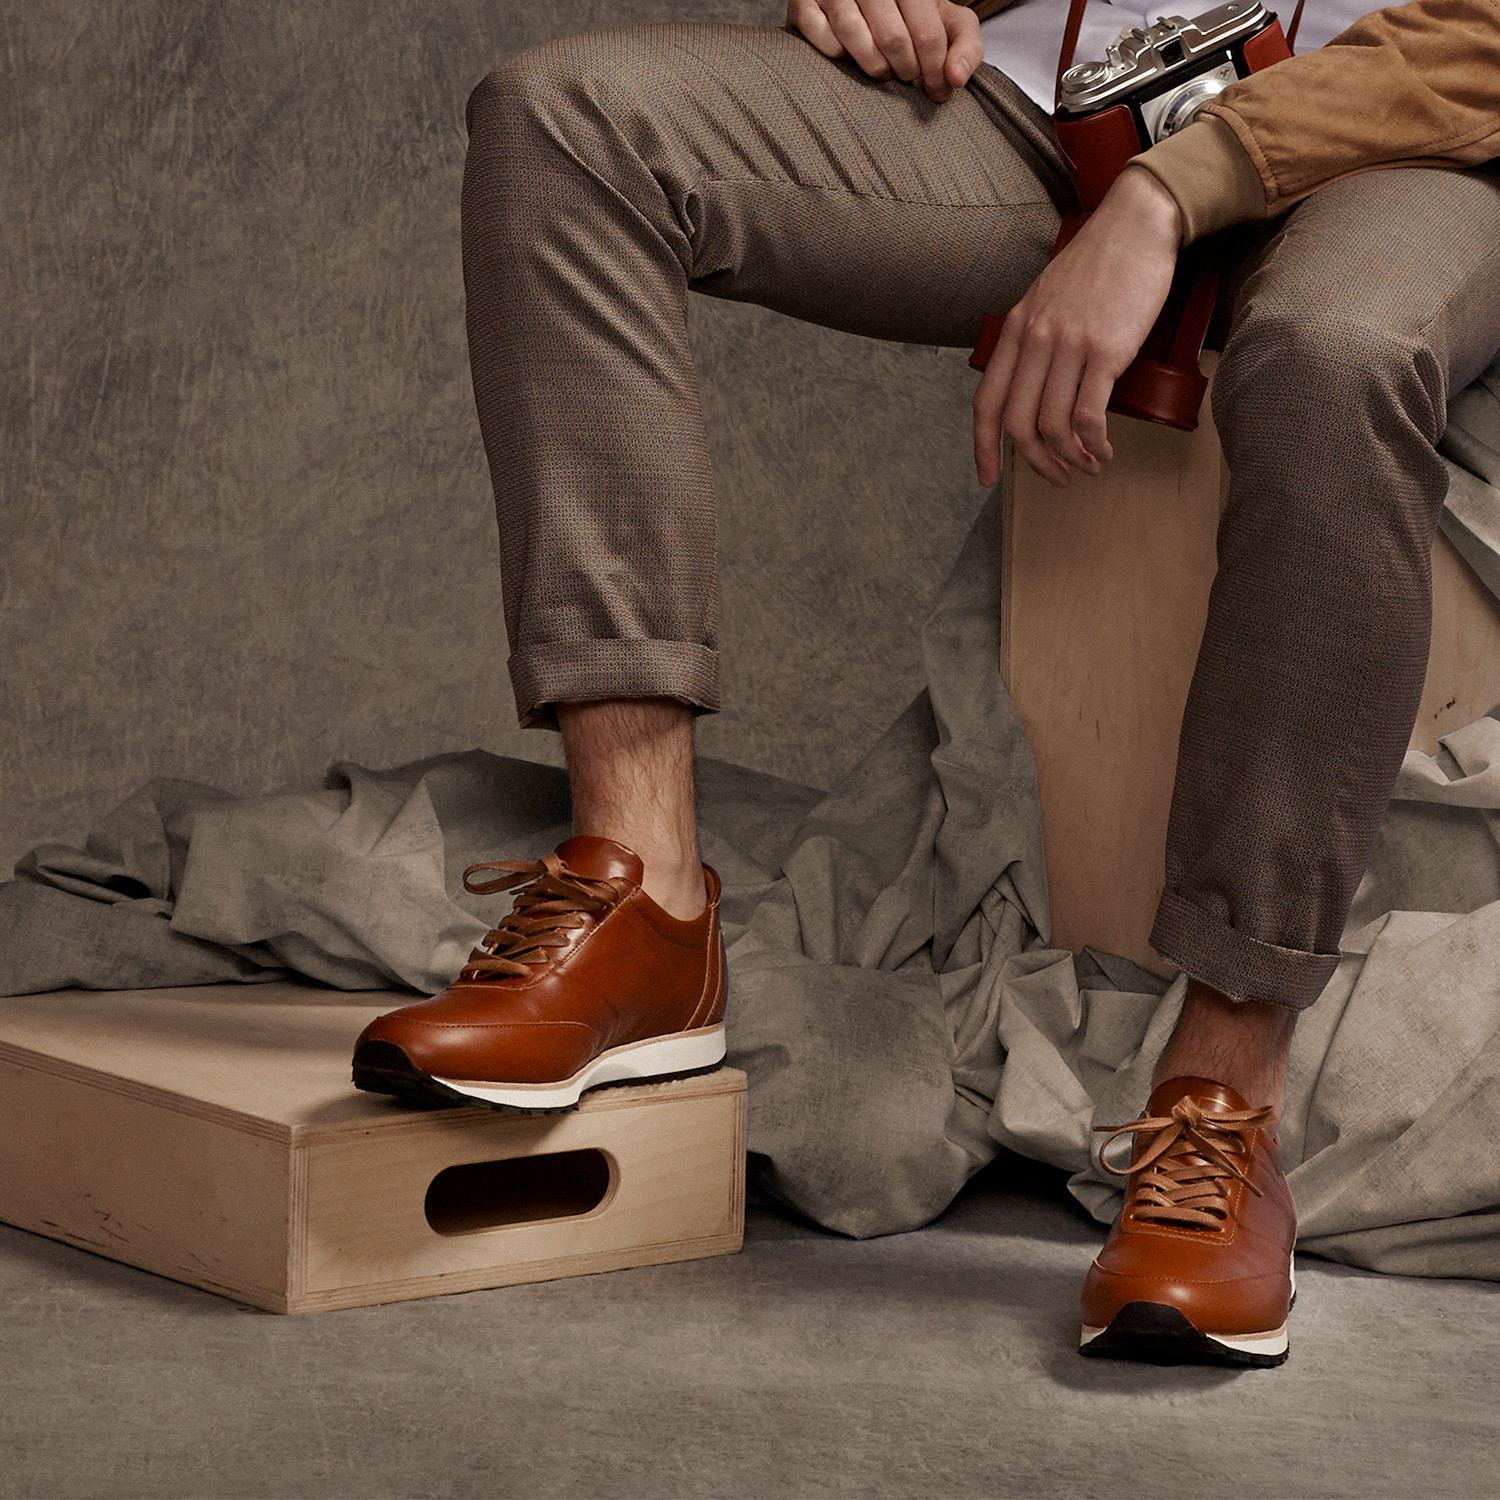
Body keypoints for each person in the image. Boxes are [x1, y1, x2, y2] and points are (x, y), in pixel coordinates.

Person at [351, 0, 1500, 1365]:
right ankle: (641, 896)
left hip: (1404, 125)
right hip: (1067, 89)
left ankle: (1221, 1091)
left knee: (1339, 354)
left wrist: (1167, 195)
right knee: (567, 125)